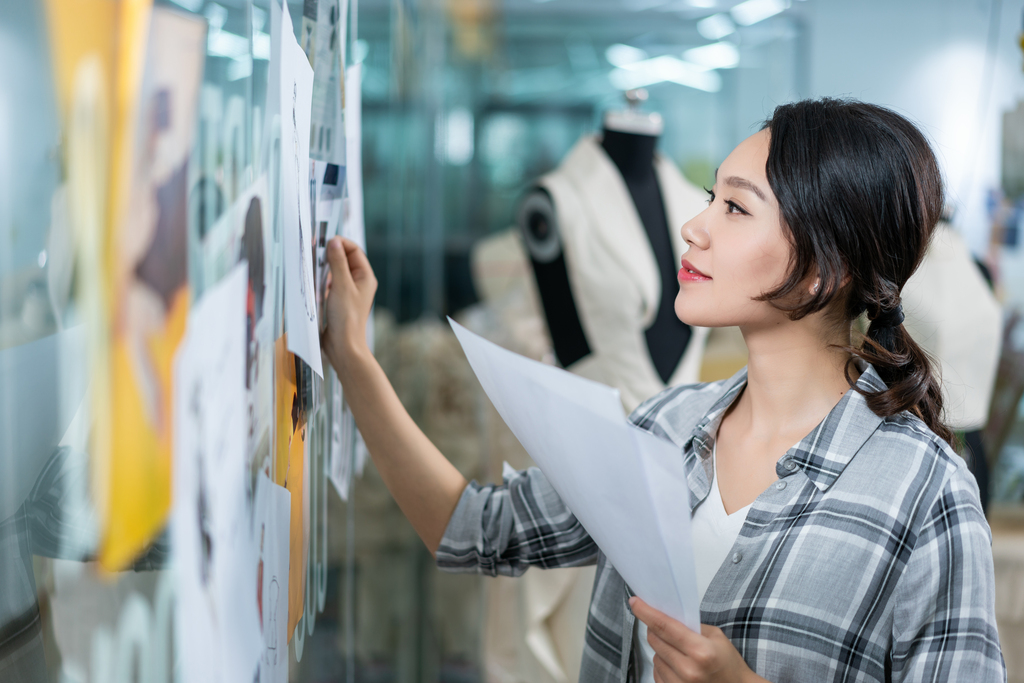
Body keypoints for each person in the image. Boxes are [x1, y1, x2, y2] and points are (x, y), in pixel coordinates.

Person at [320, 98, 1005, 682]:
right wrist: (353, 359)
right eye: (713, 197)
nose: (695, 226)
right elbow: (475, 531)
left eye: (736, 208)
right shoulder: (664, 428)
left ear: (823, 270)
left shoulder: (925, 492)